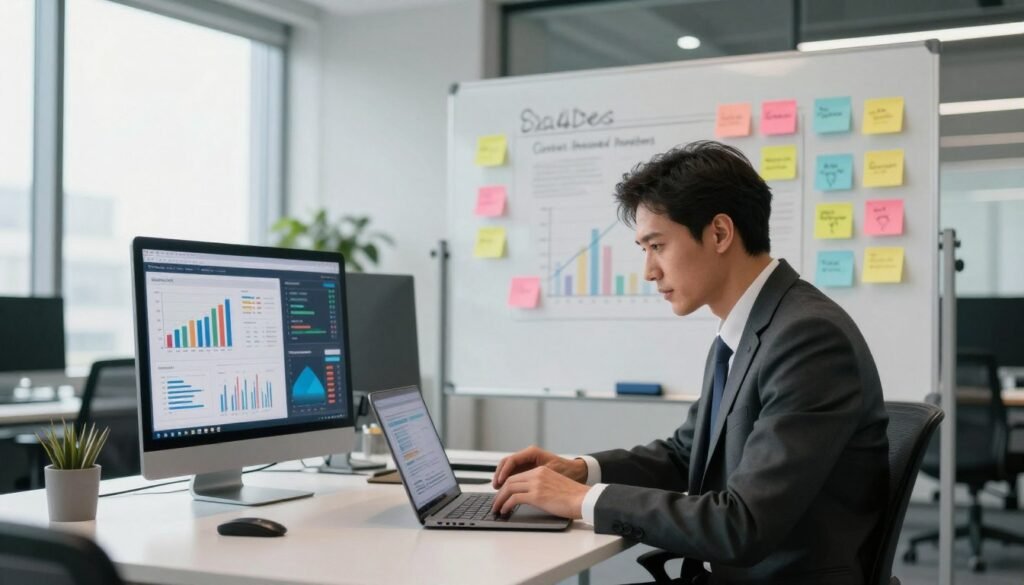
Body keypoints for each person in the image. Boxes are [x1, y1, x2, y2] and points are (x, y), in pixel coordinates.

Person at [491, 140, 889, 584]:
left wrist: (584, 500)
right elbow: (688, 454)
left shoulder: (808, 339)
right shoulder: (748, 329)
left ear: (719, 233)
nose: (649, 271)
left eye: (657, 245)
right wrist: (582, 470)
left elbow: (743, 525)